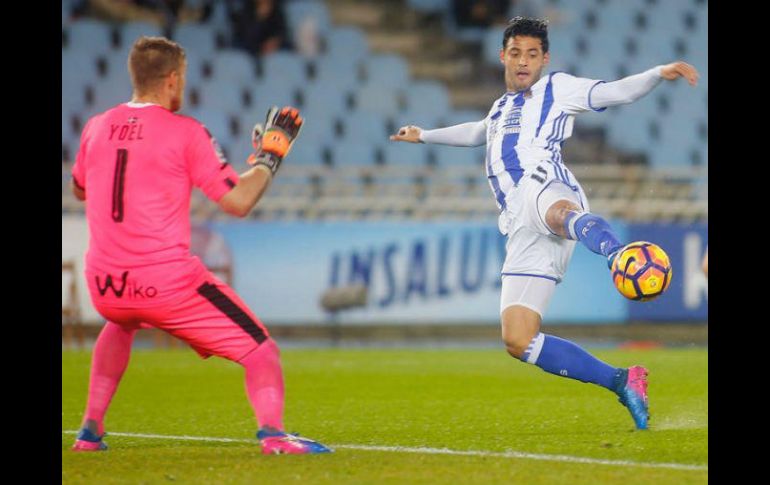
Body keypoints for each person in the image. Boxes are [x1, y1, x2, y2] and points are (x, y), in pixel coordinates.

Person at [390, 17, 699, 430]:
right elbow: (478, 132)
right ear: (503, 55)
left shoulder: (557, 88)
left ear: (544, 59)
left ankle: (616, 252)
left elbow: (615, 91)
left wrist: (657, 74)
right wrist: (425, 135)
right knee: (518, 339)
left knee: (554, 211)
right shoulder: (500, 107)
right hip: (519, 224)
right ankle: (623, 381)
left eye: (532, 55)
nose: (523, 62)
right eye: (516, 53)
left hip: (546, 184)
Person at [69, 36, 331, 454]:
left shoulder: (95, 127)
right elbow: (239, 201)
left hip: (106, 287)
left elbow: (80, 188)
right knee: (262, 349)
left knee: (120, 322)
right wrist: (270, 155)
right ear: (173, 80)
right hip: (165, 285)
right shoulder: (186, 132)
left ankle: (89, 431)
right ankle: (275, 436)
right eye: (183, 79)